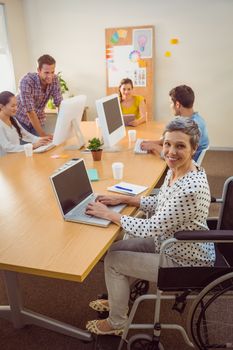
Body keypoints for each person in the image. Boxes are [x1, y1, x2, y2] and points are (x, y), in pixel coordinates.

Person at [85, 117, 215, 336]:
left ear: (194, 148)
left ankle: (117, 322)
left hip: (184, 259)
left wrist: (109, 215)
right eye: (167, 144)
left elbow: (150, 227)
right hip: (171, 242)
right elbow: (161, 202)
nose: (170, 152)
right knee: (115, 249)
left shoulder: (189, 187)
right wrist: (125, 200)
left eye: (180, 146)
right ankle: (119, 300)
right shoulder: (179, 170)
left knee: (114, 261)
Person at [141, 85, 209, 162]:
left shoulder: (192, 127)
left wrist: (154, 146)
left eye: (170, 103)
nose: (170, 106)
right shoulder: (192, 118)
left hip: (185, 163)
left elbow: (174, 155)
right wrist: (151, 142)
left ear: (177, 104)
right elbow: (172, 140)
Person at [15, 54, 63, 137]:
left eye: (52, 72)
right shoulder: (26, 81)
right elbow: (30, 111)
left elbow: (59, 103)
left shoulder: (54, 79)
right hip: (21, 120)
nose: (50, 76)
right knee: (28, 148)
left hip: (38, 118)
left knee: (43, 147)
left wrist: (62, 127)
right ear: (38, 70)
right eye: (46, 72)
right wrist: (43, 136)